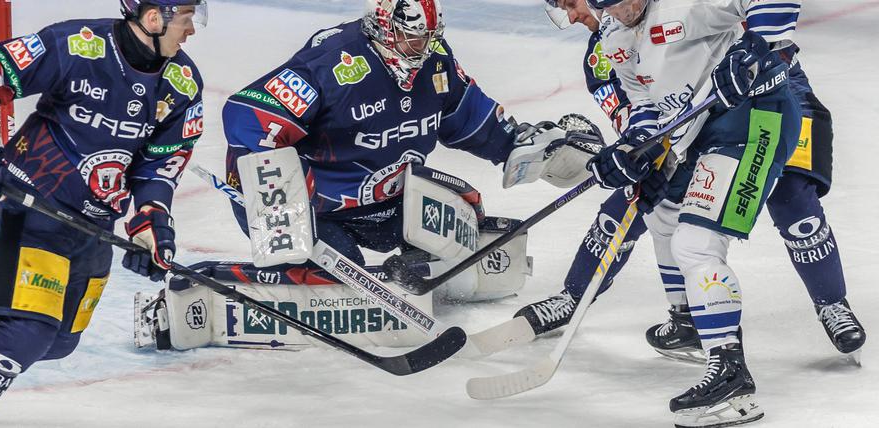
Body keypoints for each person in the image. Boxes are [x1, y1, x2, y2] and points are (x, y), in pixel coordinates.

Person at [132, 0, 606, 352]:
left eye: (428, 37)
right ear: (383, 29)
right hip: (310, 208)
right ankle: (199, 298)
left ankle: (406, 269)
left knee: (460, 215)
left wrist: (543, 150)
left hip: (387, 199)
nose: (422, 48)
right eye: (411, 39)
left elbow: (481, 125)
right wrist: (269, 188)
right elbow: (246, 115)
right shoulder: (337, 61)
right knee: (338, 285)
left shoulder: (436, 62)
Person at [0, 1, 207, 426]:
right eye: (186, 18)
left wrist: (149, 221)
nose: (192, 30)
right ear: (152, 18)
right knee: (26, 332)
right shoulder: (76, 44)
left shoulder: (181, 83)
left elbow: (161, 163)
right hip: (35, 206)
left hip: (95, 224)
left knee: (58, 342)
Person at [518, 0, 866, 364]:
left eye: (571, 2)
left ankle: (832, 304)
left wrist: (758, 47)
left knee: (792, 197)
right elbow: (639, 113)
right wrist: (634, 155)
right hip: (695, 124)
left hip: (772, 90)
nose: (573, 15)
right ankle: (625, 306)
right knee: (640, 201)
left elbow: (763, 25)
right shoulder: (607, 50)